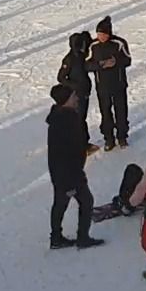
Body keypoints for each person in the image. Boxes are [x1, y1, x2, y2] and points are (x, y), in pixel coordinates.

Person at [48, 84, 105, 250]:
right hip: (69, 174)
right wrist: (74, 173)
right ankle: (82, 238)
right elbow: (69, 149)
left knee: (60, 203)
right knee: (85, 201)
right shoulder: (67, 120)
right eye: (73, 96)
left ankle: (56, 238)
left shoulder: (60, 117)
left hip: (61, 172)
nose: (77, 98)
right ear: (66, 100)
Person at [87, 16, 131, 150]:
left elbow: (128, 60)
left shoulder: (119, 43)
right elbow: (87, 65)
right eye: (99, 34)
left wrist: (115, 62)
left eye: (103, 34)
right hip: (102, 86)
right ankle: (109, 138)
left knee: (121, 111)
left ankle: (122, 137)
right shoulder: (93, 46)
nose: (101, 37)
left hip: (118, 84)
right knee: (105, 113)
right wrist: (99, 65)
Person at [58, 32, 95, 152]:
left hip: (84, 92)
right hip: (76, 94)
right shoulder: (69, 59)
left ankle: (83, 143)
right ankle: (80, 145)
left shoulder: (81, 55)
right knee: (78, 120)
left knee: (81, 118)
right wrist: (74, 86)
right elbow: (61, 77)